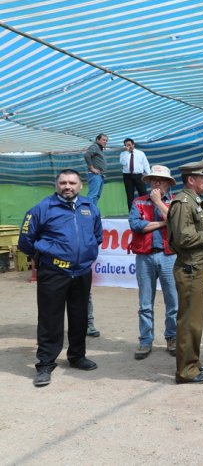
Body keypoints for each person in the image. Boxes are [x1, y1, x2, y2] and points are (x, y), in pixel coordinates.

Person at [18, 169, 103, 387]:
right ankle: (45, 364)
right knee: (50, 319)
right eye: (63, 182)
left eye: (72, 183)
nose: (67, 186)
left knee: (80, 317)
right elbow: (25, 240)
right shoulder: (42, 208)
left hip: (82, 272)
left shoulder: (89, 207)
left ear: (80, 185)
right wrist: (43, 256)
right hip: (54, 273)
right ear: (57, 185)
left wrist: (87, 254)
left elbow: (97, 235)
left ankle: (77, 356)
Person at [167, 157, 203, 384]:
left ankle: (192, 362)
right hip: (190, 268)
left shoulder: (194, 200)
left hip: (196, 266)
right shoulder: (184, 203)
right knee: (189, 321)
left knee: (194, 320)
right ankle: (186, 371)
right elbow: (184, 239)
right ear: (191, 180)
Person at [128, 165, 178, 360]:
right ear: (149, 182)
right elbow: (136, 225)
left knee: (173, 302)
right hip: (144, 256)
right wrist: (165, 222)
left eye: (161, 179)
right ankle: (145, 340)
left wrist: (158, 202)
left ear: (168, 183)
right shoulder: (138, 201)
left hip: (169, 256)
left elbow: (176, 221)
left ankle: (172, 338)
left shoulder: (175, 202)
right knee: (145, 303)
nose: (157, 182)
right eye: (154, 179)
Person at [83, 133, 108, 337]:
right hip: (95, 174)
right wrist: (92, 168)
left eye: (107, 140)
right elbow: (86, 155)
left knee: (97, 195)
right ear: (97, 139)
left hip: (100, 174)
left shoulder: (99, 150)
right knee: (93, 195)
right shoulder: (93, 147)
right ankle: (91, 211)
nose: (105, 142)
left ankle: (93, 210)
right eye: (103, 139)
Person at [119, 138, 150, 211]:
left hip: (139, 175)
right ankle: (132, 213)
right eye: (126, 145)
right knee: (130, 195)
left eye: (129, 145)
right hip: (127, 176)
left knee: (143, 193)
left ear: (133, 144)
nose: (128, 146)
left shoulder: (140, 153)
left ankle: (146, 210)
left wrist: (149, 175)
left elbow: (146, 164)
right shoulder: (123, 154)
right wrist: (126, 152)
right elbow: (123, 163)